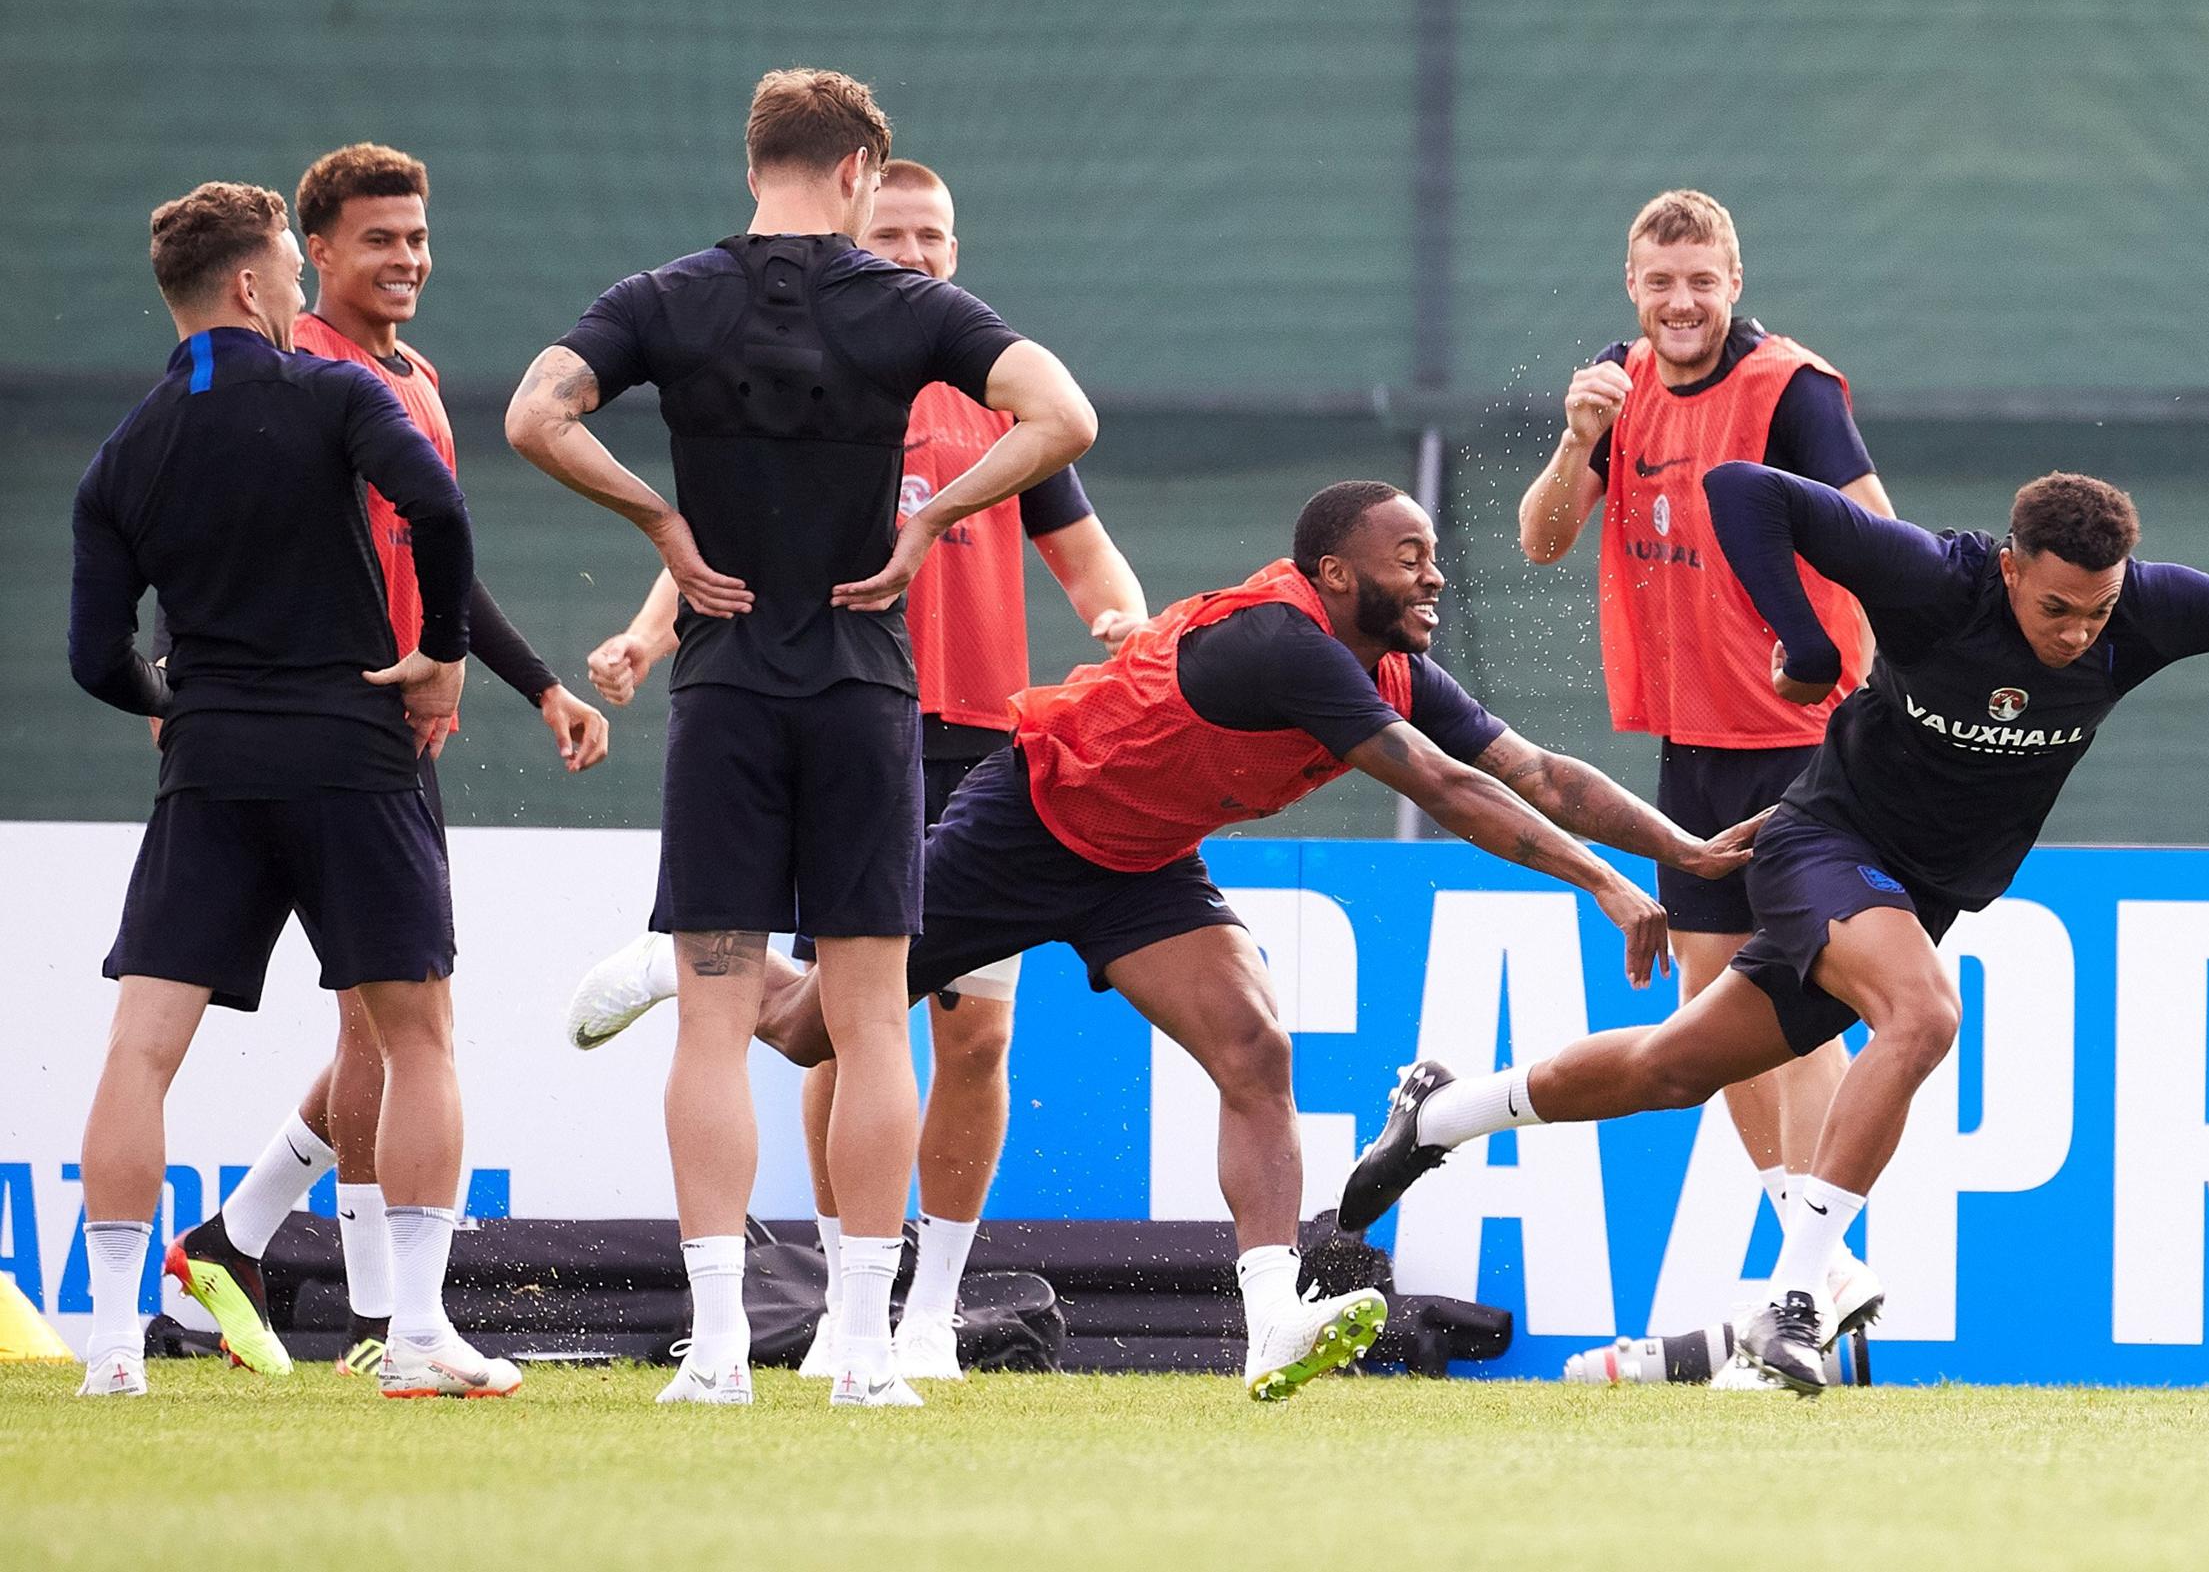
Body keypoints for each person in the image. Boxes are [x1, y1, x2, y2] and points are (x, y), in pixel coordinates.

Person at [580, 480, 1768, 1402]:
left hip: (1141, 864)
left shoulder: (1395, 662)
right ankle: (675, 964)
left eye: (1431, 555)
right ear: (1333, 571)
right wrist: (1611, 890)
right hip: (1032, 818)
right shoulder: (1285, 640)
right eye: (1409, 557)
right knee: (802, 1031)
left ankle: (1269, 1326)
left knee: (1256, 1048)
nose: (1433, 571)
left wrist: (1690, 852)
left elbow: (1536, 770)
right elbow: (1456, 794)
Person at [1343, 463, 2209, 1393]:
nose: (2073, 632)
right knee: (1922, 1011)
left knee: (1669, 1066)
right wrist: (1801, 638)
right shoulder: (1933, 579)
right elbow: (1739, 491)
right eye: (2053, 606)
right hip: (1817, 846)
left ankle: (1437, 1111)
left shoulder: (2141, 615)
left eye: (2095, 611)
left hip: (1913, 893)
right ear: (2007, 567)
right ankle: (1796, 1301)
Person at [504, 68, 1098, 1409]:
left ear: (754, 162)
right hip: (860, 694)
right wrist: (931, 525)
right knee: (875, 1023)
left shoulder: (666, 297)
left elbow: (536, 414)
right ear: (856, 174)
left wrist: (659, 525)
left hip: (722, 694)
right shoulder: (909, 306)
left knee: (713, 1022)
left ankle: (716, 1350)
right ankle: (864, 1350)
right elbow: (1066, 414)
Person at [159, 144, 609, 1385]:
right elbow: (208, 520)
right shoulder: (302, 373)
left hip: (392, 731)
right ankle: (384, 1317)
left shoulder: (407, 377)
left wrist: (538, 682)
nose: (405, 259)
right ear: (314, 255)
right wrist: (166, 668)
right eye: (376, 241)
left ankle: (245, 1244)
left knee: (380, 1021)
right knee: (402, 1023)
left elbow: (439, 558)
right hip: (327, 734)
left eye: (417, 237)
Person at [68, 181, 517, 1399]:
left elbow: (93, 657)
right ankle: (417, 1333)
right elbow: (435, 506)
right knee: (418, 1040)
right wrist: (440, 654)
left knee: (138, 1053)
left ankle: (113, 1346)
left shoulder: (125, 452)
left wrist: (173, 703)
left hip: (210, 765)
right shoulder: (336, 392)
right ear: (259, 285)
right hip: (351, 754)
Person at [1514, 188, 1892, 1355]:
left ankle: (1810, 1273)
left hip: (1803, 741)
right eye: (1659, 282)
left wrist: (1840, 672)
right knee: (1714, 1004)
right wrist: (1577, 436)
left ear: (1735, 281)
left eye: (1702, 281)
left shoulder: (1792, 391)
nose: (1681, 303)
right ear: (1631, 286)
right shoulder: (1612, 384)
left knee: (1799, 1008)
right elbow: (1541, 538)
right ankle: (1813, 1269)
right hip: (1692, 744)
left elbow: (1885, 542)